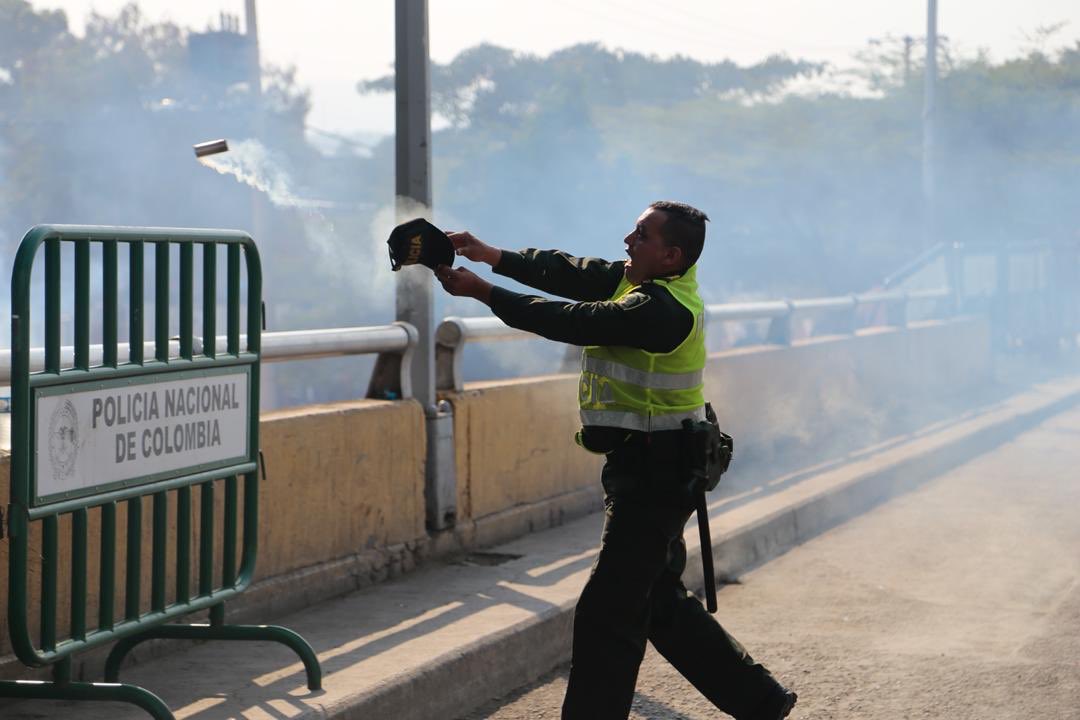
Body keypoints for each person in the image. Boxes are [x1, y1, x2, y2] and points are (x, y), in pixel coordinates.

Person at [435, 201, 797, 720]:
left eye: (642, 235)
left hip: (659, 472)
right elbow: (571, 273)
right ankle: (759, 701)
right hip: (648, 465)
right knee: (659, 601)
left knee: (609, 611)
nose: (628, 240)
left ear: (671, 255)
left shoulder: (661, 309)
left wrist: (484, 291)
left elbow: (573, 320)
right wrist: (491, 254)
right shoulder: (637, 283)